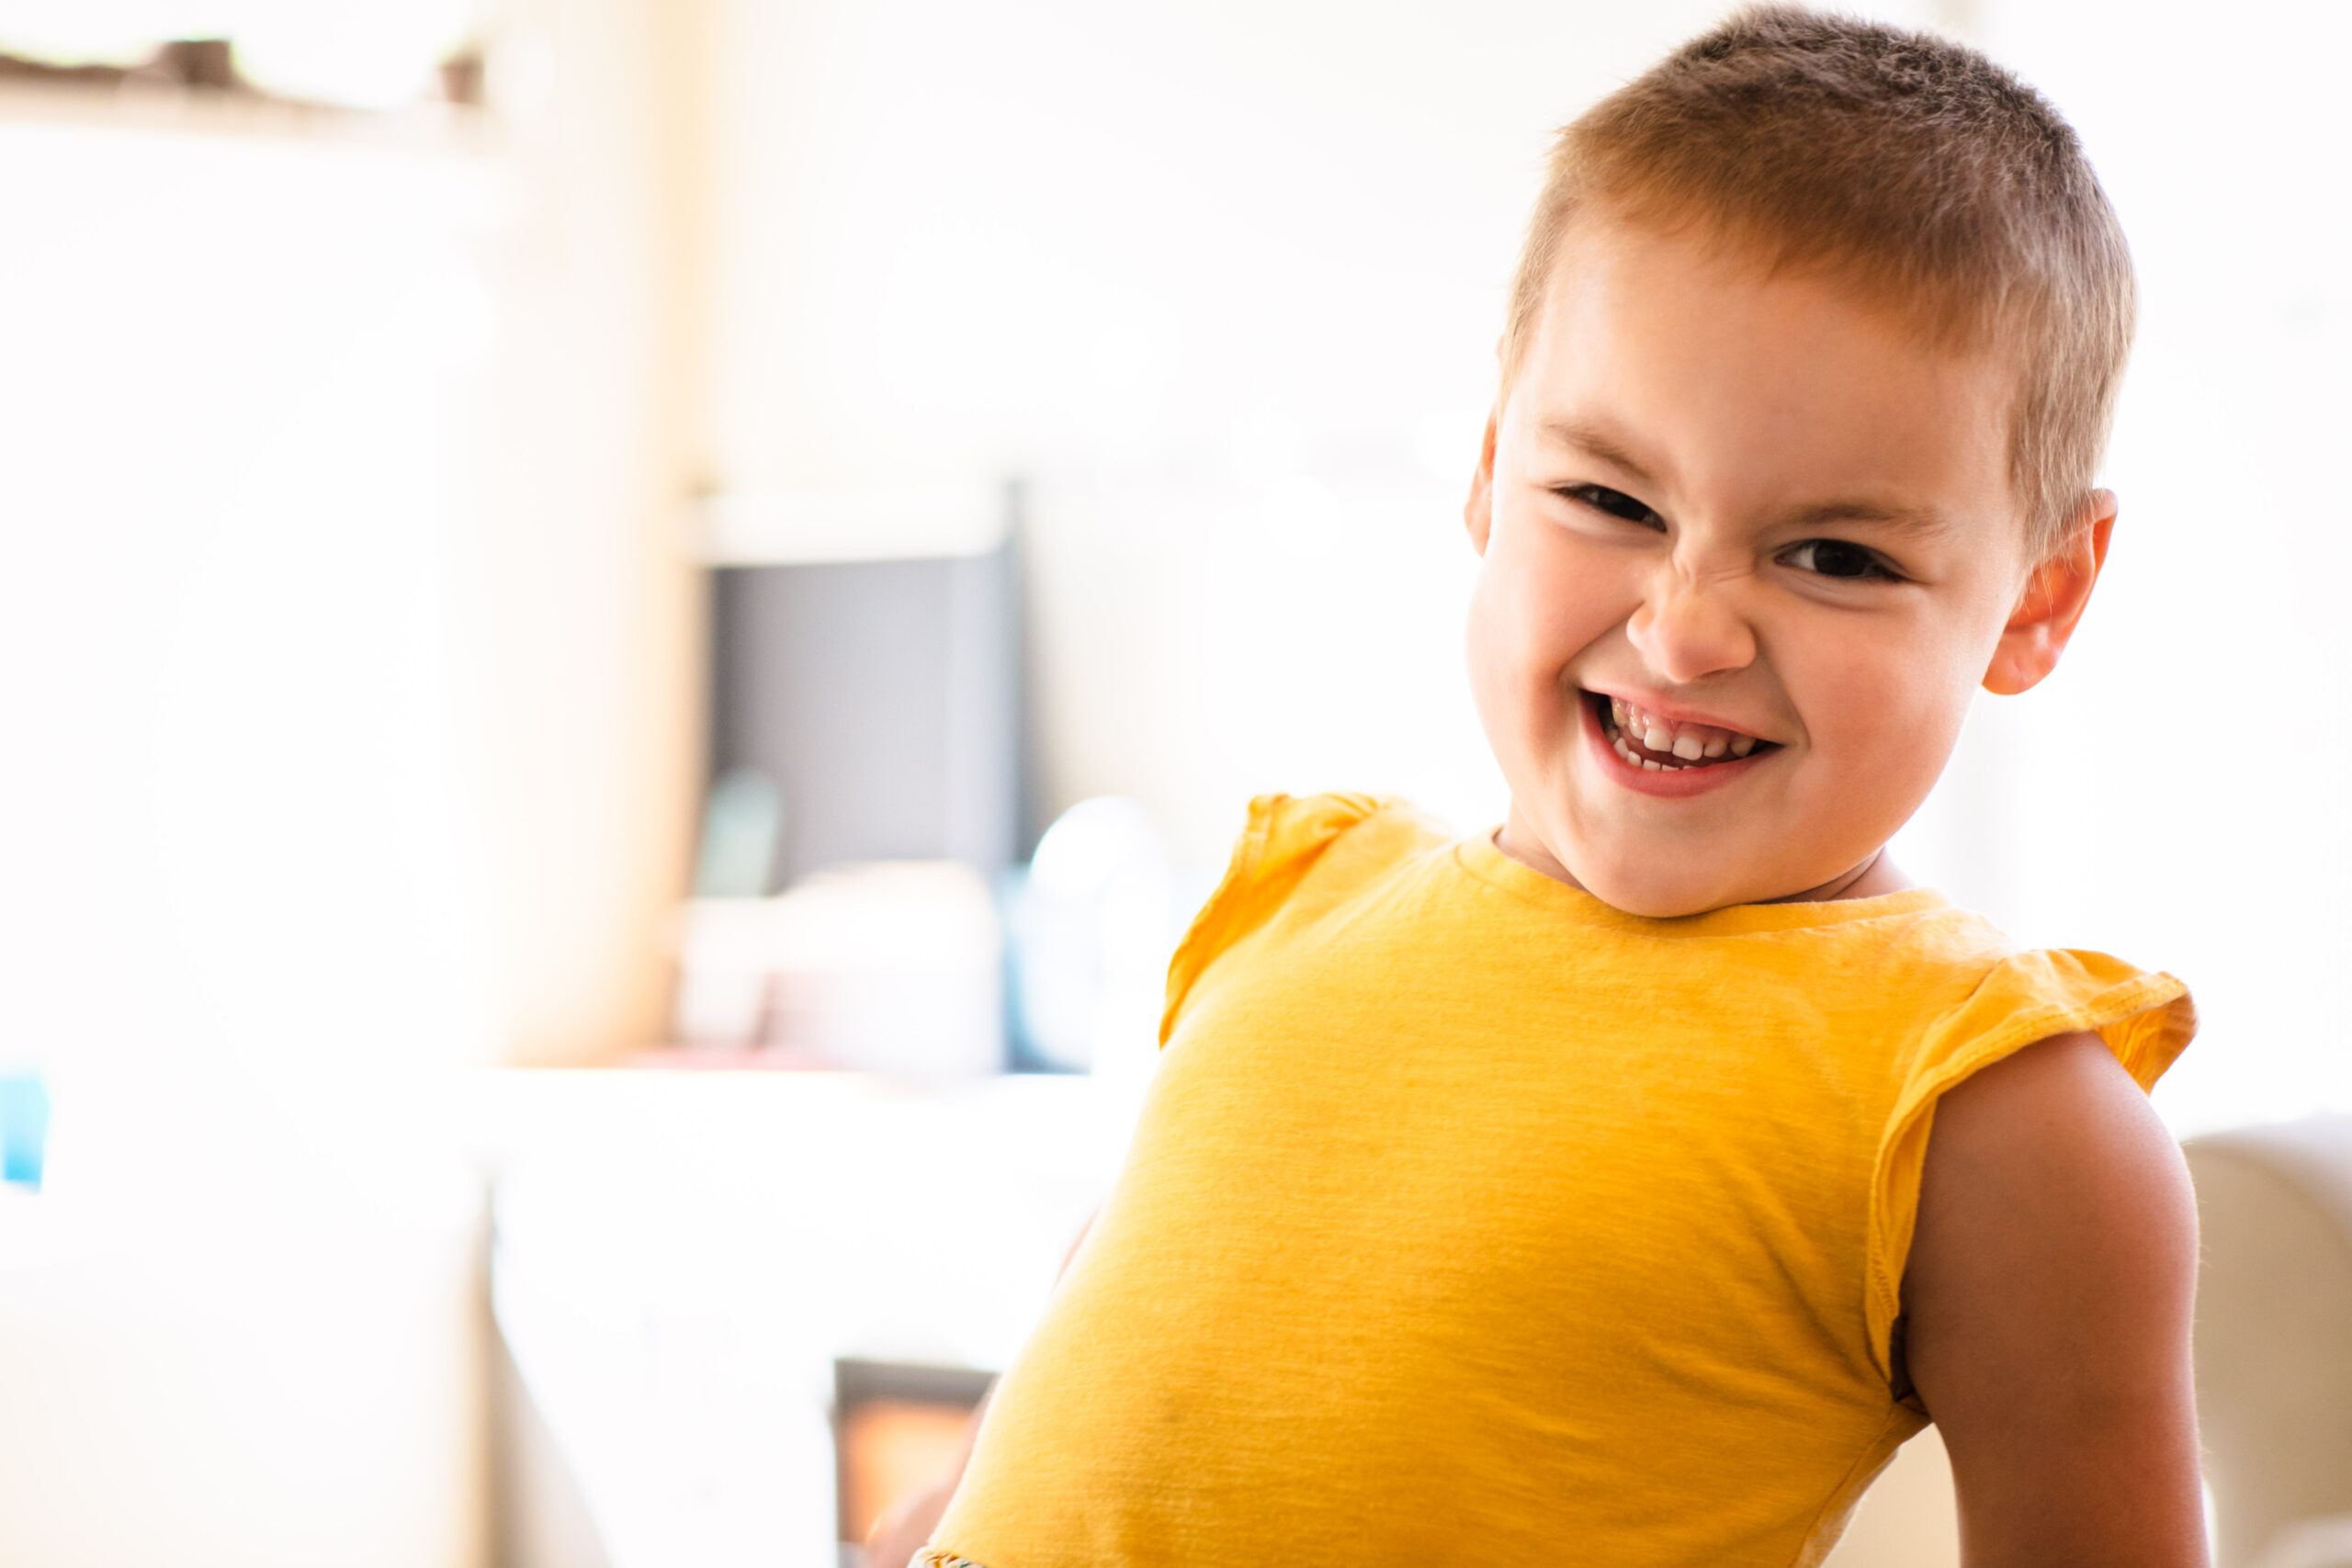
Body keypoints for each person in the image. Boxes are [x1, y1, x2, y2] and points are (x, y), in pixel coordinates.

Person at [880, 9, 2203, 1565]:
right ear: (1492, 468)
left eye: (1836, 555)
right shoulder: (1302, 898)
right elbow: (1065, 1406)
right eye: (1607, 498)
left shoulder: (1989, 1105)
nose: (1688, 629)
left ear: (2043, 594)